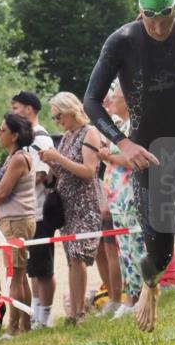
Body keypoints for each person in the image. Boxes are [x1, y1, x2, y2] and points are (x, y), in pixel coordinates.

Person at [83, 0, 175, 344]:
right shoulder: (123, 40)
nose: (159, 28)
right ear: (139, 12)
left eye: (166, 18)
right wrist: (122, 142)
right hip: (147, 155)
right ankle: (149, 283)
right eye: (151, 19)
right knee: (158, 256)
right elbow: (91, 101)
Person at [40, 92, 103, 324]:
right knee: (70, 259)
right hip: (67, 204)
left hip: (85, 203)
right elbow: (66, 173)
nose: (57, 121)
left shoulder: (90, 133)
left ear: (70, 110)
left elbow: (88, 171)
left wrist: (58, 157)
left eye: (58, 116)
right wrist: (52, 163)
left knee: (78, 256)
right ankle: (75, 311)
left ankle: (80, 312)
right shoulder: (67, 136)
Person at [0, 113, 36, 334]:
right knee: (20, 275)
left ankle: (14, 328)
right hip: (16, 220)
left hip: (17, 221)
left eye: (3, 130)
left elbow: (3, 192)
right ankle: (25, 325)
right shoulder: (14, 157)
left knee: (16, 277)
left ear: (15, 135)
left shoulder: (17, 159)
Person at [10, 91, 57, 329]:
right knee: (34, 269)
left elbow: (39, 175)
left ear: (29, 109)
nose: (13, 112)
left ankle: (44, 315)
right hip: (29, 213)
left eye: (16, 108)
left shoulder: (40, 139)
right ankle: (38, 313)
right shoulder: (27, 139)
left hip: (39, 211)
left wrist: (12, 185)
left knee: (44, 268)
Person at [98, 84, 143, 317]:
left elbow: (131, 160)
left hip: (129, 196)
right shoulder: (120, 128)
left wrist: (108, 155)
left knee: (133, 248)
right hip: (117, 195)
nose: (111, 102)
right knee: (123, 249)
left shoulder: (134, 127)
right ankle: (130, 296)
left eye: (115, 98)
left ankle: (137, 297)